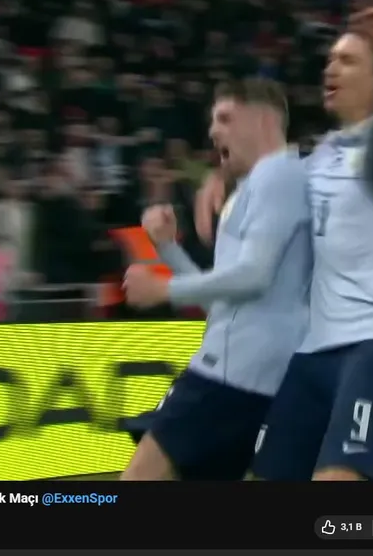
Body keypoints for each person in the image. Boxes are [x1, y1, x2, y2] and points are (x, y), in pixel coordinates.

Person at [196, 20, 373, 482]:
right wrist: (223, 175)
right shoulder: (322, 156)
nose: (331, 68)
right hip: (313, 352)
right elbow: (274, 179)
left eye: (348, 61)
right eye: (330, 59)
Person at [119, 79, 313, 480]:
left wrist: (163, 289)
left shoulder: (278, 175)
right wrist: (167, 248)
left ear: (263, 121)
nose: (212, 131)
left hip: (229, 373)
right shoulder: (259, 186)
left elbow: (254, 276)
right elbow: (224, 303)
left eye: (225, 119)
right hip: (250, 375)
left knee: (139, 477)